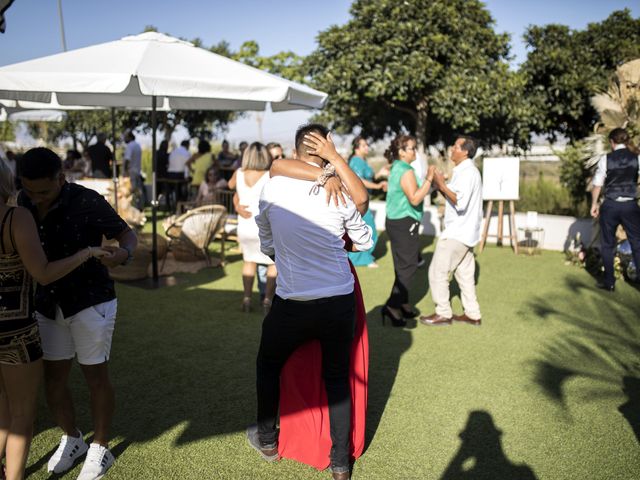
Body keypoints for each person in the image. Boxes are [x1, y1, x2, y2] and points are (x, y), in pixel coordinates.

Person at [249, 124, 373, 480]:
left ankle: (269, 441)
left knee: (267, 365)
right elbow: (364, 242)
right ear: (325, 145)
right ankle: (339, 464)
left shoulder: (272, 188)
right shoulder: (340, 193)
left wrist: (288, 255)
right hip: (338, 302)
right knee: (336, 380)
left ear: (297, 146)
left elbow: (267, 242)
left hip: (293, 301)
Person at [18, 147, 138, 480]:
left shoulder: (86, 200)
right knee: (53, 380)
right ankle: (72, 438)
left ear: (61, 177)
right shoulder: (22, 201)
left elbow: (127, 234)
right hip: (47, 301)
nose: (36, 198)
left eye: (43, 191)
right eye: (29, 190)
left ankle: (100, 447)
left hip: (90, 300)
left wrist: (124, 253)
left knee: (95, 377)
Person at [0, 160, 107, 480]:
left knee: (2, 411)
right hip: (16, 330)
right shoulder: (15, 217)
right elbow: (43, 273)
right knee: (21, 416)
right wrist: (86, 253)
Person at [420, 136, 483, 326]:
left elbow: (459, 202)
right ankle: (473, 314)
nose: (451, 149)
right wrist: (441, 185)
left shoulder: (467, 173)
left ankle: (443, 313)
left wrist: (440, 183)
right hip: (467, 233)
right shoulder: (466, 171)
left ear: (465, 151)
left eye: (455, 146)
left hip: (457, 233)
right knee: (464, 275)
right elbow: (452, 196)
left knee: (437, 272)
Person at [382, 135, 433, 326]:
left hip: (396, 221)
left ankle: (402, 302)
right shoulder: (405, 169)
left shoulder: (397, 167)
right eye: (411, 148)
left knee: (402, 265)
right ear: (402, 152)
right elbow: (415, 198)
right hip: (404, 222)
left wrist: (430, 184)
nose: (415, 152)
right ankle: (392, 306)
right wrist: (429, 178)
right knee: (409, 266)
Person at [228, 142, 276, 313]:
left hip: (245, 225)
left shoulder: (239, 173)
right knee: (273, 264)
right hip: (264, 226)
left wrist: (237, 205)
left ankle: (247, 299)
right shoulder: (269, 175)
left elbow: (231, 186)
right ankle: (267, 301)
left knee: (249, 261)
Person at [590, 127, 640, 291]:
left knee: (607, 244)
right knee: (637, 244)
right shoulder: (637, 158)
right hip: (630, 205)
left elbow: (597, 184)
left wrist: (594, 204)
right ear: (625, 142)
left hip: (610, 205)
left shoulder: (606, 159)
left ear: (612, 142)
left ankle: (609, 282)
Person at [347, 136, 387, 267]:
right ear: (356, 148)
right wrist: (377, 186)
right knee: (367, 229)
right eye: (364, 145)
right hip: (358, 200)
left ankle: (363, 257)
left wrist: (379, 174)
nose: (367, 147)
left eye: (367, 145)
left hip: (364, 200)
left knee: (367, 229)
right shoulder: (356, 161)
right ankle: (361, 259)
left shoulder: (362, 161)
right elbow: (359, 181)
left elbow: (369, 177)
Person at [123, 130, 144, 209]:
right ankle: (140, 207)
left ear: (129, 137)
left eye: (125, 137)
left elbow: (127, 159)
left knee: (131, 192)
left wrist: (125, 171)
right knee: (138, 192)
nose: (124, 139)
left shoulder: (130, 146)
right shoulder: (138, 145)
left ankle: (134, 208)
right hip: (137, 171)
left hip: (131, 172)